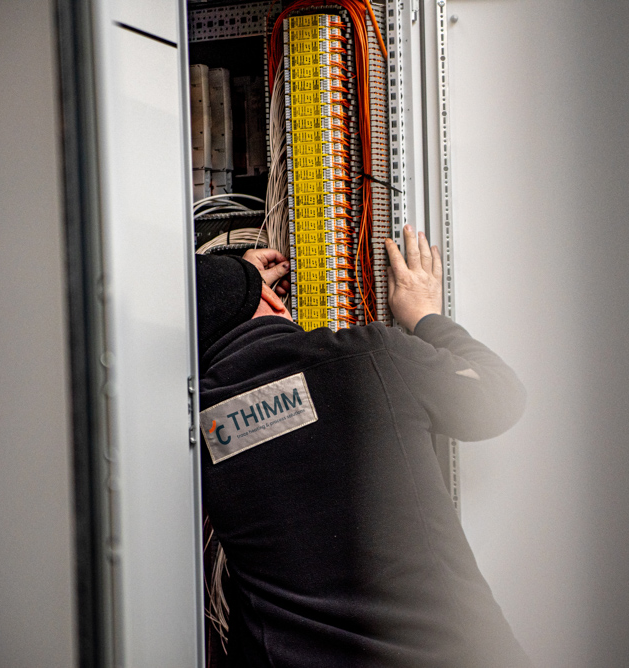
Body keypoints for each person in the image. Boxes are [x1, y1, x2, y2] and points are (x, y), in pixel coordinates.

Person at [197, 225, 532, 667]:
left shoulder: (194, 433)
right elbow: (500, 396)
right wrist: (426, 316)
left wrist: (221, 289)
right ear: (276, 301)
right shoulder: (373, 358)